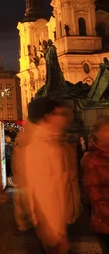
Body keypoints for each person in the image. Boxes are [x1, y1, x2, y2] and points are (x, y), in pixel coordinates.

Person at [12, 97, 81, 254]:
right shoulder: (41, 145)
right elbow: (44, 193)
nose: (65, 117)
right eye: (60, 113)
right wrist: (56, 234)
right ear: (48, 116)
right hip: (50, 230)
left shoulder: (52, 140)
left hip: (57, 223)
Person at [81, 117, 109, 254]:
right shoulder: (92, 159)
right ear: (97, 134)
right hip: (105, 219)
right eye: (106, 130)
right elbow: (93, 193)